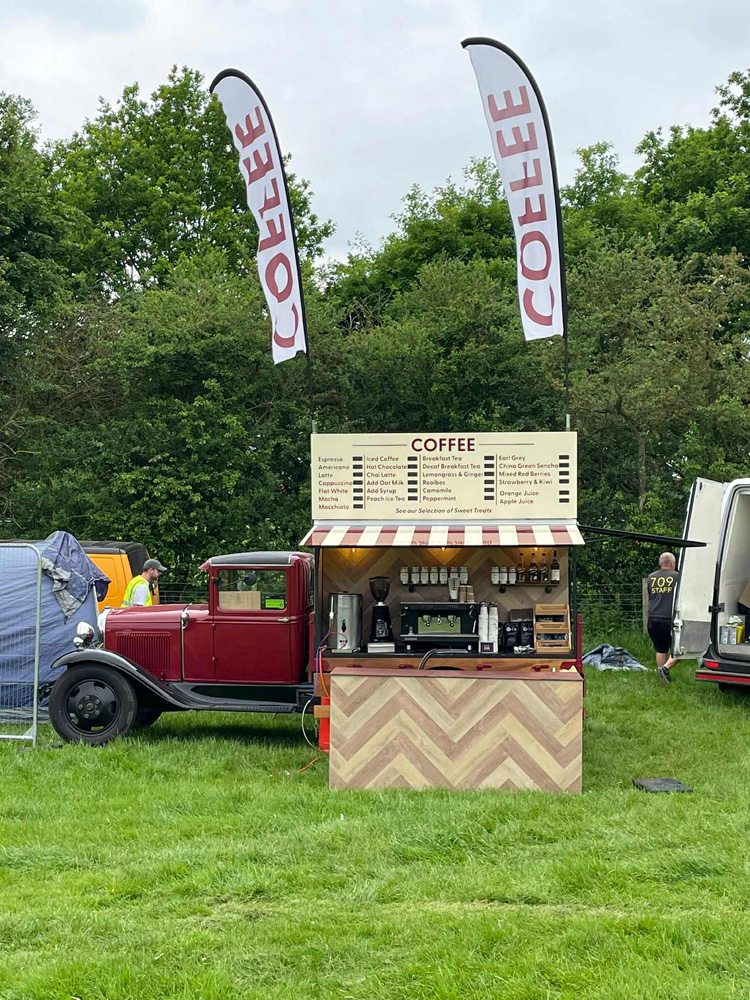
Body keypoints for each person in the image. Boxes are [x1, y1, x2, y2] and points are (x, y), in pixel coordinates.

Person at [646, 552, 679, 684]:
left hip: (653, 618)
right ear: (672, 564)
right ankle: (665, 668)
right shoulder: (677, 577)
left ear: (660, 564)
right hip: (669, 618)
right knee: (681, 648)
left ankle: (662, 677)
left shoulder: (651, 577)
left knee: (660, 648)